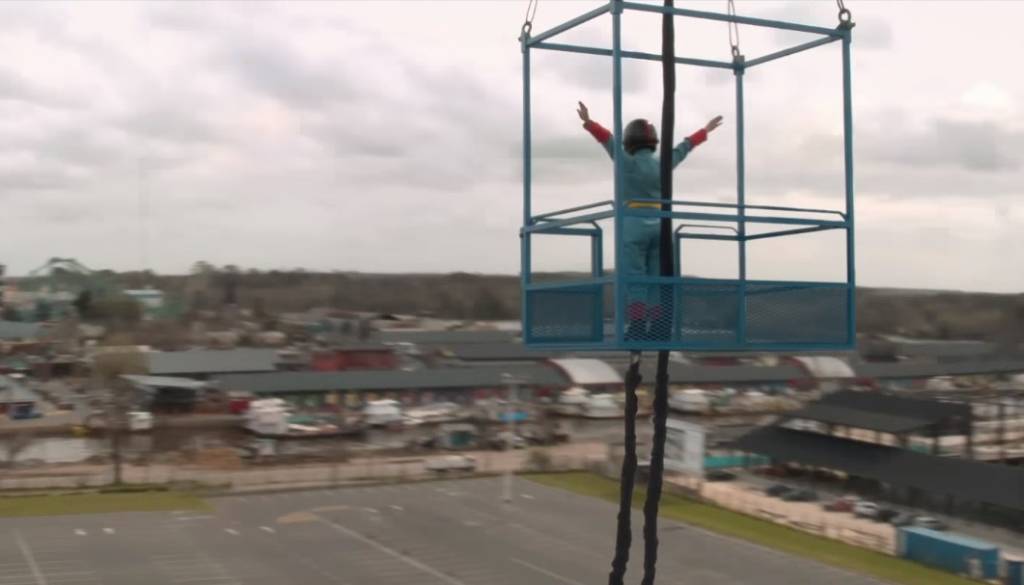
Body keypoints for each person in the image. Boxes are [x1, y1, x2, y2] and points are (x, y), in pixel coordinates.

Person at [578, 101, 723, 340]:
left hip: (634, 222)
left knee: (636, 278)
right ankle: (658, 326)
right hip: (661, 223)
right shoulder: (663, 163)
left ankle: (637, 326)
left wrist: (588, 122)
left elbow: (608, 140)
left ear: (629, 142)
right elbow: (684, 148)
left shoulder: (627, 162)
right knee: (656, 279)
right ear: (653, 142)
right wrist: (705, 130)